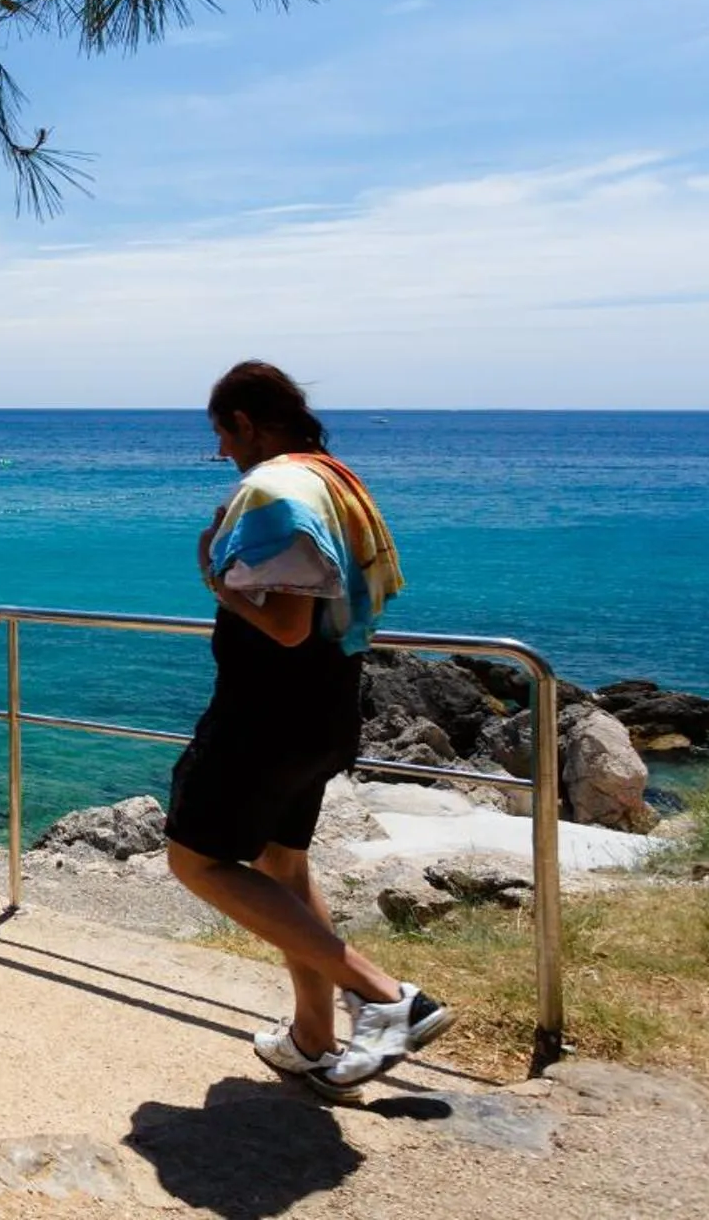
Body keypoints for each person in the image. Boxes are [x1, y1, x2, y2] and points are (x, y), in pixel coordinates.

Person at [165, 360, 448, 1098]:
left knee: (194, 860)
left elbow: (286, 624)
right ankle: (313, 1039)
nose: (222, 451)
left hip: (267, 709)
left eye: (222, 435)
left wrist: (217, 584)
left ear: (247, 422)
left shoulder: (276, 489)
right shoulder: (337, 479)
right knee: (282, 865)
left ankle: (387, 995)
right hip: (330, 702)